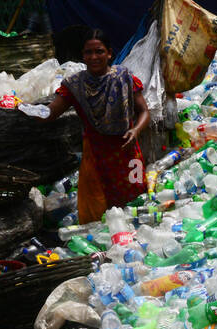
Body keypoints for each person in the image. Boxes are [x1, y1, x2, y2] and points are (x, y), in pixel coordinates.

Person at [41, 29, 151, 225]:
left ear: (109, 53)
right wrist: (26, 111)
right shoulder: (74, 85)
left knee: (136, 201)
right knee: (95, 210)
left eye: (99, 51)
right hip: (96, 154)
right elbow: (50, 113)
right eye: (88, 53)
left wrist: (136, 130)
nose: (94, 57)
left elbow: (144, 111)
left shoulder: (124, 78)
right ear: (82, 55)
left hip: (127, 151)